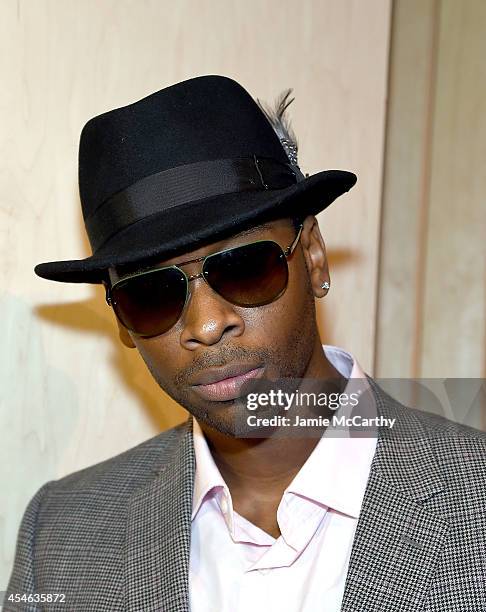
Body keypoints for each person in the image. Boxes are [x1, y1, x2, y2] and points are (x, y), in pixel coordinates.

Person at [5, 75, 485, 612]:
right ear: (120, 321)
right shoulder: (59, 534)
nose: (207, 324)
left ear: (314, 257)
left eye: (244, 267)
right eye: (151, 294)